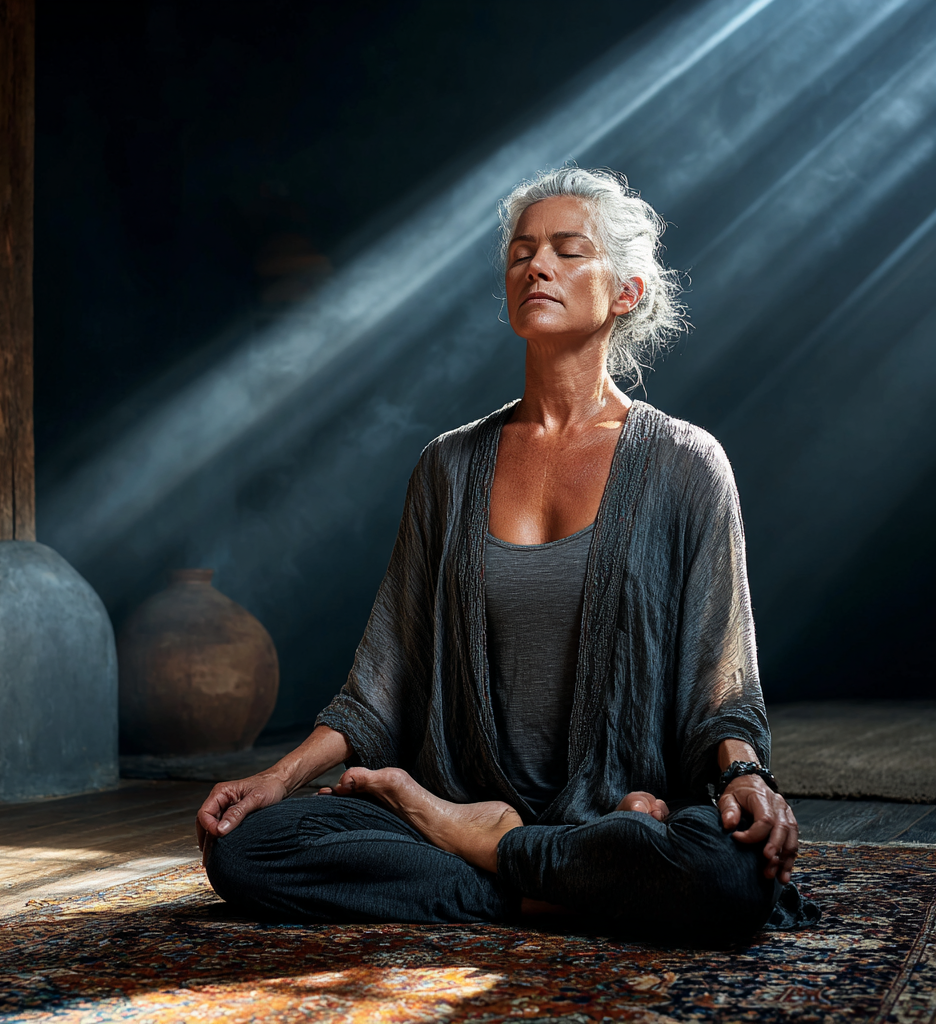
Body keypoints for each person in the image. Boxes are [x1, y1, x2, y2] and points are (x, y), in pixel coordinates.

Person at [196, 166, 813, 944]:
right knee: (248, 849)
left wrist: (744, 773)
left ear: (625, 291)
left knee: (732, 871)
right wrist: (277, 778)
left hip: (617, 798)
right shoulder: (448, 468)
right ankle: (554, 872)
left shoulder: (687, 464)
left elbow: (721, 678)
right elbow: (384, 677)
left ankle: (490, 848)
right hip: (466, 792)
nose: (536, 267)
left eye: (567, 251)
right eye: (522, 253)